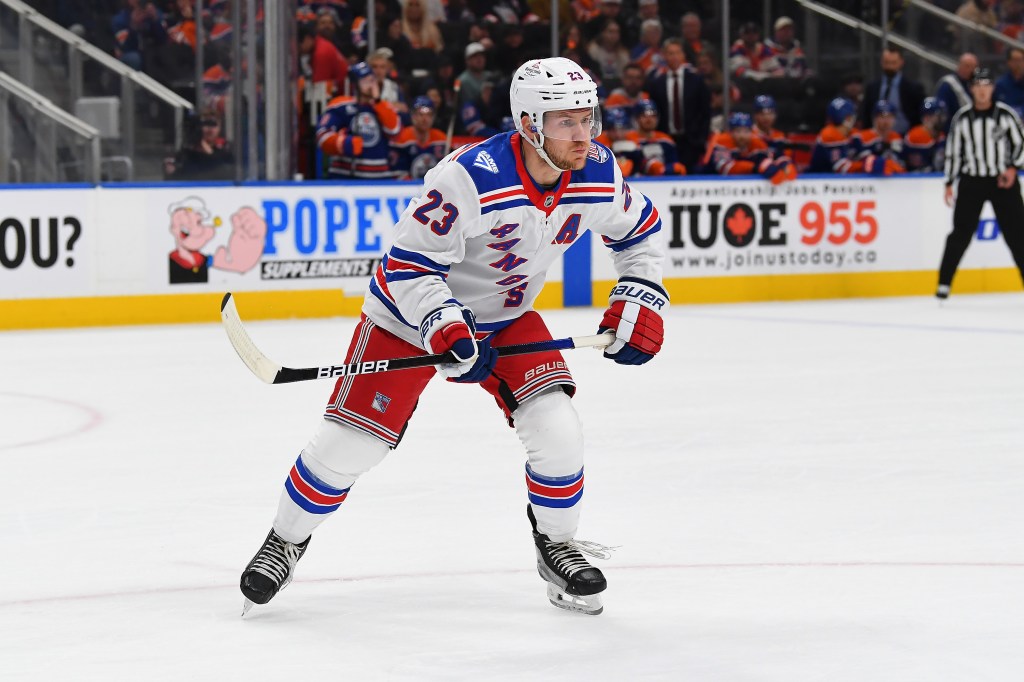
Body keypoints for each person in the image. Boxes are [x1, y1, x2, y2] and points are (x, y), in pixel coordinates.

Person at [239, 56, 667, 617]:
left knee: (557, 428)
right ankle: (285, 541)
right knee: (352, 445)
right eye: (567, 121)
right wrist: (443, 324)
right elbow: (409, 262)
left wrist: (640, 293)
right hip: (406, 320)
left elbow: (641, 232)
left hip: (506, 317)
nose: (583, 134)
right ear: (530, 124)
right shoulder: (468, 176)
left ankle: (556, 546)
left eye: (588, 118)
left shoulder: (596, 172)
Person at [938, 67, 1024, 299]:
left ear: (992, 88)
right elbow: (954, 152)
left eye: (987, 85)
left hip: (1002, 182)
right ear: (972, 89)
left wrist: (1012, 168)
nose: (983, 91)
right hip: (972, 181)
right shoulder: (963, 118)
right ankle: (944, 283)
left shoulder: (1006, 115)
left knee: (1018, 235)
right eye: (978, 86)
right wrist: (949, 181)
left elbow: (1020, 144)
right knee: (960, 233)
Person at [316, 61, 402, 179]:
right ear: (355, 84)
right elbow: (322, 135)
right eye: (365, 81)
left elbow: (395, 131)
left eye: (372, 80)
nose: (371, 85)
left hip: (380, 178)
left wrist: (378, 102)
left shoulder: (384, 106)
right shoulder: (340, 105)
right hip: (345, 177)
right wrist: (344, 143)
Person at [644, 37, 711, 170]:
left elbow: (705, 112)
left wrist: (700, 140)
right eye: (670, 53)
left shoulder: (696, 81)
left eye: (677, 53)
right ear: (664, 56)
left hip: (691, 142)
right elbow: (655, 113)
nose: (674, 57)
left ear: (683, 55)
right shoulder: (657, 83)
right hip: (666, 140)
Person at [702, 111, 796, 184]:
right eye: (738, 131)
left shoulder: (756, 142)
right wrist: (756, 167)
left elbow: (770, 155)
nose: (742, 136)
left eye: (746, 132)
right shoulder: (722, 142)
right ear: (730, 133)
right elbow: (726, 167)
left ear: (751, 132)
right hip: (713, 184)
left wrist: (784, 163)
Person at [860, 46, 925, 135]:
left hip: (906, 136)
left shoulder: (913, 88)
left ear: (901, 62)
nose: (890, 66)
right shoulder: (872, 87)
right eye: (886, 62)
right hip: (876, 137)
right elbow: (866, 115)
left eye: (893, 63)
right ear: (881, 62)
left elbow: (920, 116)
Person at [389, 96, 447, 179]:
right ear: (413, 116)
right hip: (408, 189)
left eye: (429, 115)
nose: (425, 119)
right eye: (420, 114)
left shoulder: (441, 139)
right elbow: (398, 173)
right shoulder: (402, 139)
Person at [627, 98, 686, 175]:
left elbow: (673, 163)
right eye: (644, 115)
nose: (649, 119)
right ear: (636, 118)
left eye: (653, 116)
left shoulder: (666, 140)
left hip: (662, 180)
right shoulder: (629, 139)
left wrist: (669, 169)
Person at [851, 100, 906, 176]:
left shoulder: (897, 138)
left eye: (890, 117)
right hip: (866, 180)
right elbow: (859, 162)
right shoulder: (862, 137)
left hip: (893, 180)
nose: (886, 121)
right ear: (874, 118)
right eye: (882, 117)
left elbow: (901, 163)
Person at [934, 53, 977, 133]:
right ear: (959, 65)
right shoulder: (948, 85)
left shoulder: (978, 85)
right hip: (954, 131)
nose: (971, 69)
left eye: (973, 66)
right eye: (967, 66)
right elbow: (942, 113)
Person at [903, 98, 947, 173]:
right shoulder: (915, 136)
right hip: (917, 180)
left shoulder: (941, 135)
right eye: (939, 116)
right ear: (927, 118)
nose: (942, 119)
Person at [995, 47, 1024, 119]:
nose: (1019, 64)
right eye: (1016, 60)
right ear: (1009, 62)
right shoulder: (1001, 85)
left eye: (1021, 60)